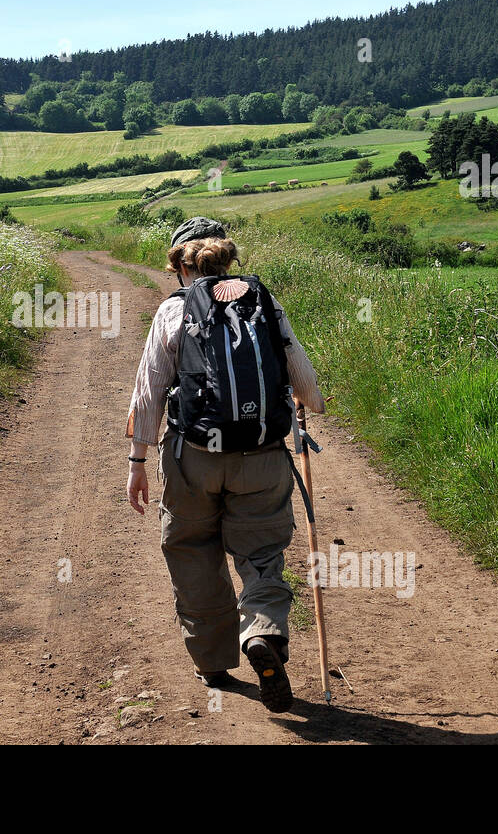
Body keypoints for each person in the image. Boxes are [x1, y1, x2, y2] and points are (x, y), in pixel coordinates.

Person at [125, 216, 325, 713]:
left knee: (192, 550)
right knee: (261, 552)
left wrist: (138, 460)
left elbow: (149, 391)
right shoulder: (265, 304)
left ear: (179, 267)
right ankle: (262, 631)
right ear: (230, 259)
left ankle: (213, 661)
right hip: (260, 458)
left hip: (193, 458)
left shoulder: (173, 312)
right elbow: (308, 387)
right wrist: (302, 407)